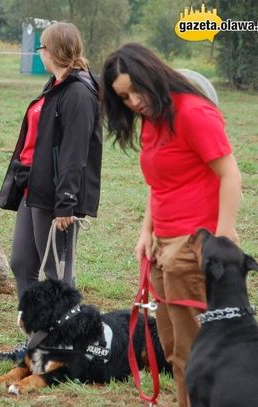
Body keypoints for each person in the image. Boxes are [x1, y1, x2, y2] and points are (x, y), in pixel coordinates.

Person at [101, 43, 241, 407]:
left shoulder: (193, 113)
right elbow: (159, 183)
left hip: (195, 246)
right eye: (123, 97)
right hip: (163, 247)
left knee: (199, 350)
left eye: (135, 91)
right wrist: (146, 231)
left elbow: (230, 175)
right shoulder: (153, 120)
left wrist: (222, 239)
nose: (132, 102)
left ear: (152, 76)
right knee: (174, 349)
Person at [0, 22, 102, 361]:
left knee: (57, 275)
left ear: (56, 51)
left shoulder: (79, 92)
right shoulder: (55, 85)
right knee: (21, 261)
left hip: (57, 198)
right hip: (33, 188)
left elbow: (74, 154)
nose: (39, 52)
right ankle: (34, 341)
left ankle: (62, 346)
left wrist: (66, 204)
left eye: (42, 47)